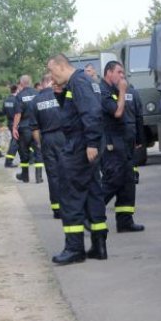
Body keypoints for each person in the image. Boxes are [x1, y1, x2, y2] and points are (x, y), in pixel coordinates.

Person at [46, 53, 109, 264]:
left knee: (70, 195)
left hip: (80, 145)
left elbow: (92, 112)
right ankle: (99, 246)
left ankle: (74, 249)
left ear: (62, 67)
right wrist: (60, 95)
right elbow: (74, 112)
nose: (51, 77)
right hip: (82, 143)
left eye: (52, 72)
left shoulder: (79, 82)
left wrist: (91, 143)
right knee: (92, 191)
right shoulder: (75, 83)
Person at [99, 61, 144, 232]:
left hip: (124, 142)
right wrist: (123, 91)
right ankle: (91, 212)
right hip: (111, 143)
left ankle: (125, 221)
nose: (122, 76)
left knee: (127, 180)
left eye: (123, 73)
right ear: (108, 73)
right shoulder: (102, 91)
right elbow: (117, 112)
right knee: (113, 179)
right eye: (119, 72)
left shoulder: (114, 90)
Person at [30, 73, 66, 218]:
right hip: (63, 136)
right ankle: (69, 205)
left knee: (53, 174)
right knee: (67, 172)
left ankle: (57, 209)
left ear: (43, 83)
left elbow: (34, 128)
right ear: (51, 82)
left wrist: (40, 143)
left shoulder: (35, 101)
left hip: (47, 138)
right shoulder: (61, 95)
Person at [13, 75, 44, 184]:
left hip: (24, 128)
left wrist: (14, 128)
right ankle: (39, 177)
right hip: (36, 128)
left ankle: (25, 177)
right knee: (38, 152)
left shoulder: (19, 95)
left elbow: (18, 114)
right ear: (30, 82)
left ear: (21, 83)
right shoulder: (37, 93)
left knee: (24, 153)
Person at [124, 81, 144, 185]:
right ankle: (134, 174)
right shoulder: (134, 93)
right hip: (131, 128)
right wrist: (140, 137)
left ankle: (127, 175)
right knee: (132, 153)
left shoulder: (112, 92)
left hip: (119, 129)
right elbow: (139, 116)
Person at [2, 84, 19, 167]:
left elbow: (3, 112)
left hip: (9, 122)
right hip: (16, 123)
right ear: (17, 90)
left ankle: (30, 158)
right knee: (15, 142)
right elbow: (19, 113)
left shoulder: (6, 100)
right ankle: (8, 162)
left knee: (17, 141)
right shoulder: (17, 100)